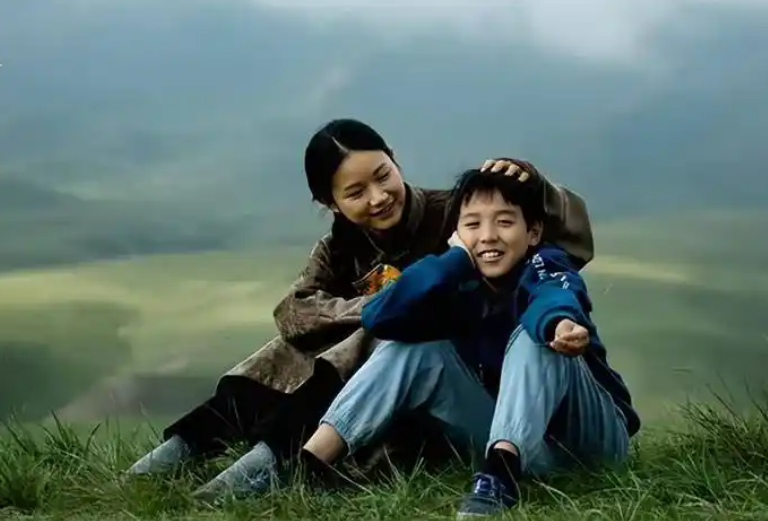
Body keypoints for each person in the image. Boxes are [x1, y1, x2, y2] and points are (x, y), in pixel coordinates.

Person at [126, 118, 596, 490]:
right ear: (329, 203)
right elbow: (294, 312)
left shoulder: (456, 214)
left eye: (382, 176)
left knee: (380, 333)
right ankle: (187, 446)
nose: (378, 197)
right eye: (355, 192)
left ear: (395, 160)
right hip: (377, 380)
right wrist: (375, 307)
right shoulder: (338, 247)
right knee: (297, 346)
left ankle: (271, 461)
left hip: (443, 391)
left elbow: (561, 247)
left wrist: (538, 187)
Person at [197, 167, 640, 515]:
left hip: (591, 443)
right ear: (457, 235)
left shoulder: (544, 262)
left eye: (505, 222)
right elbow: (379, 316)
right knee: (411, 348)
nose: (488, 235)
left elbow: (554, 295)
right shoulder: (457, 277)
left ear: (534, 232)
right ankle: (310, 464)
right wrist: (451, 261)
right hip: (528, 448)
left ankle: (497, 480)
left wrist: (560, 324)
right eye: (473, 224)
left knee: (534, 334)